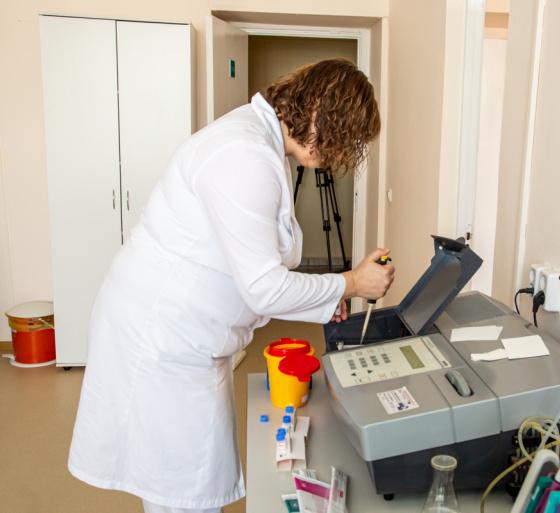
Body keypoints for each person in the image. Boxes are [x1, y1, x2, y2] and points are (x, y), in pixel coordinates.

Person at [67, 59, 394, 513]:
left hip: (186, 335)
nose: (339, 153)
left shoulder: (260, 145)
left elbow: (255, 267)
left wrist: (330, 296)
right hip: (163, 340)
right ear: (319, 111)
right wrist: (352, 283)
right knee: (182, 493)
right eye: (342, 135)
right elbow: (264, 287)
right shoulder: (244, 155)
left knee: (189, 483)